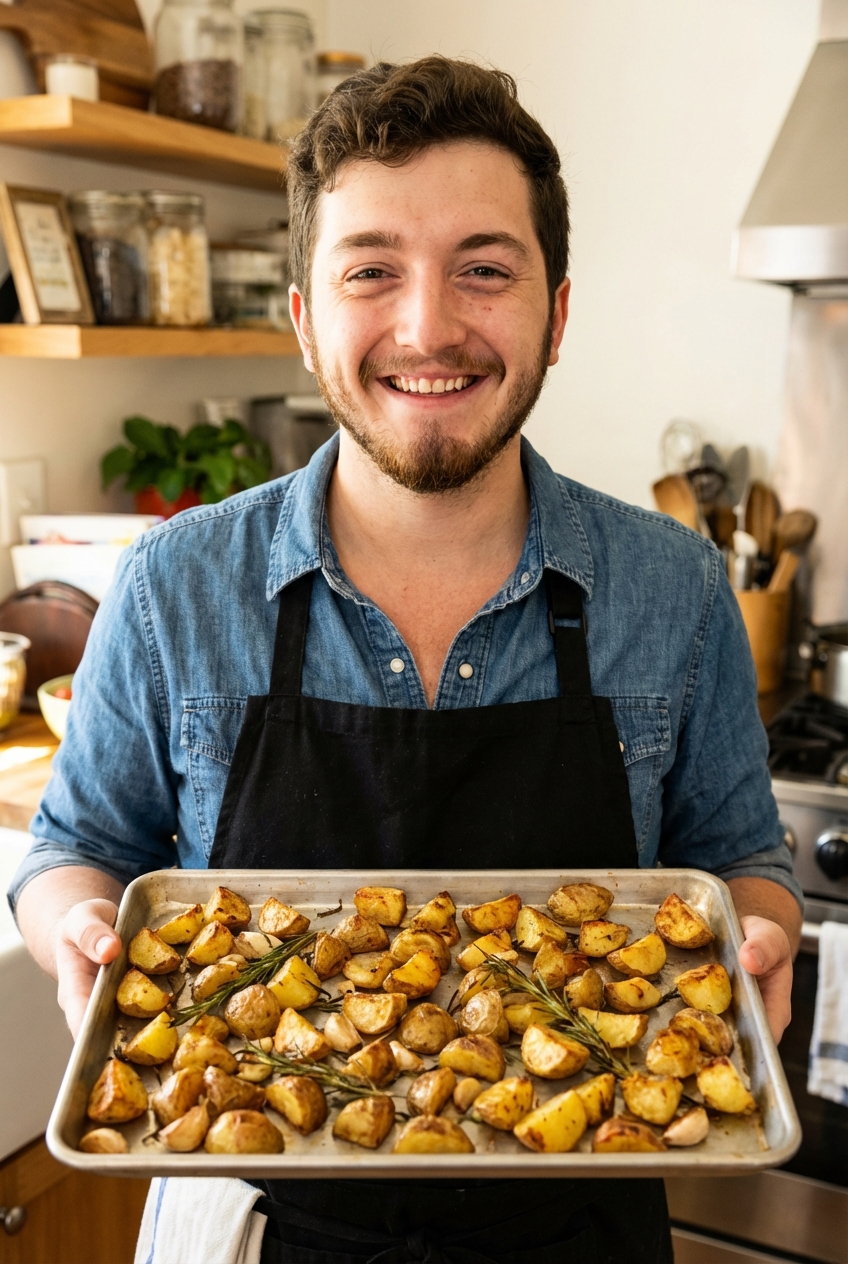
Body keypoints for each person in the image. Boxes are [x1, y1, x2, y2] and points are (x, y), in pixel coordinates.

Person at [9, 56, 801, 1264]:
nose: (427, 327)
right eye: (370, 271)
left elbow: (734, 859)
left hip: (579, 1219)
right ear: (303, 315)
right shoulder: (178, 584)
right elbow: (84, 849)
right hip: (250, 1215)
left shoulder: (674, 587)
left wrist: (758, 934)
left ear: (557, 311)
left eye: (484, 270)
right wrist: (77, 930)